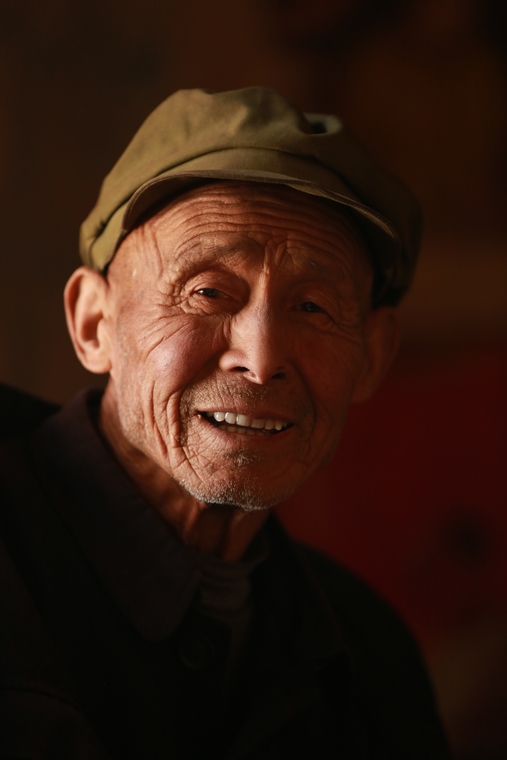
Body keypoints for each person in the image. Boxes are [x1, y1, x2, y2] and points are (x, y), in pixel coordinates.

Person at [0, 87, 450, 759]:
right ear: (94, 324)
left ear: (372, 357)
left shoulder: (369, 655)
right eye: (208, 292)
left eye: (313, 307)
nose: (261, 360)